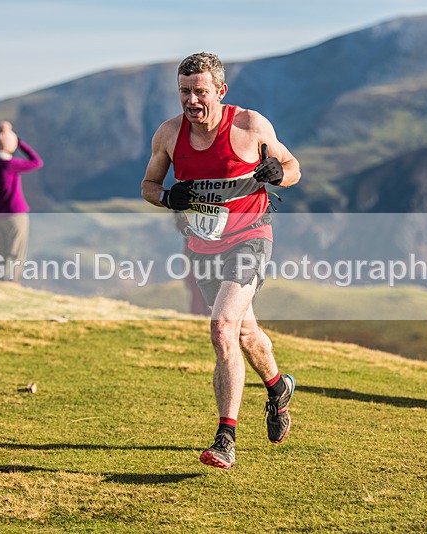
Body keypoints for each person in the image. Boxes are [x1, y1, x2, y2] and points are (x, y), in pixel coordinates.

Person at [141, 52, 301, 469]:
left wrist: (276, 173)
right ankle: (278, 387)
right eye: (184, 92)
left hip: (250, 239)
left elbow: (293, 166)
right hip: (203, 247)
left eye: (200, 92)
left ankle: (225, 437)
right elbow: (149, 185)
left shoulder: (250, 126)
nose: (192, 100)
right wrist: (167, 197)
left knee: (222, 328)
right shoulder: (169, 134)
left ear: (220, 91)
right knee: (246, 335)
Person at [0, 121, 43, 283]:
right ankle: (11, 284)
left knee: (1, 252)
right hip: (15, 214)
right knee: (15, 252)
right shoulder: (10, 165)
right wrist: (20, 143)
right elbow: (36, 162)